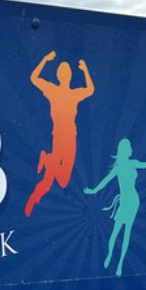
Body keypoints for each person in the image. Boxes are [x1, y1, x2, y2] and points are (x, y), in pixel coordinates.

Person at [24, 51, 94, 216]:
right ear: (59, 75)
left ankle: (46, 159)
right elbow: (34, 78)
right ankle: (34, 198)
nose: (64, 75)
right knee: (49, 180)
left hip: (70, 138)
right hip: (59, 137)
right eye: (62, 73)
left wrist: (85, 70)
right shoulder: (53, 90)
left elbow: (90, 90)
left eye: (66, 73)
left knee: (62, 181)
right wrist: (44, 59)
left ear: (69, 76)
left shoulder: (73, 94)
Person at [84, 138, 146, 276]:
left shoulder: (132, 163)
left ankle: (120, 264)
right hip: (125, 200)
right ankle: (110, 254)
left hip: (133, 201)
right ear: (125, 151)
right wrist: (94, 190)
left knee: (127, 232)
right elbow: (105, 181)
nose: (131, 149)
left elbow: (145, 165)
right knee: (115, 232)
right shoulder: (118, 167)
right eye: (129, 148)